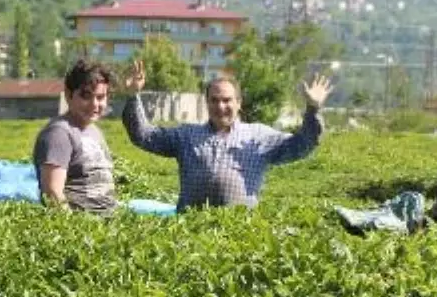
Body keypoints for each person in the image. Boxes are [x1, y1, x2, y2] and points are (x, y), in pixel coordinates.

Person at [121, 61, 331, 212]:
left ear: (239, 103)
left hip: (238, 231)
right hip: (189, 230)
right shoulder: (186, 135)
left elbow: (302, 145)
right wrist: (132, 97)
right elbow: (144, 135)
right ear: (207, 103)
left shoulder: (258, 136)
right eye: (214, 100)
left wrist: (313, 109)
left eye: (227, 100)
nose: (220, 106)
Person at [32, 59, 117, 215]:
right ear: (68, 95)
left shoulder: (94, 131)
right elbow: (52, 194)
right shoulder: (58, 134)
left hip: (106, 226)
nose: (94, 104)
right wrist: (75, 230)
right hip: (82, 229)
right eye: (86, 96)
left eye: (100, 97)